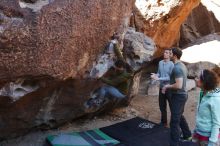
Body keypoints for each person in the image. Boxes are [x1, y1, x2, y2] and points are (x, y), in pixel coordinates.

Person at [162, 47, 192, 146]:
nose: (169, 55)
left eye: (170, 53)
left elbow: (178, 85)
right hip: (181, 95)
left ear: (174, 56)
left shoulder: (177, 68)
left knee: (174, 122)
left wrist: (167, 86)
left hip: (178, 97)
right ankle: (187, 135)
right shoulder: (182, 65)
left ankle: (174, 143)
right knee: (179, 116)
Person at [193, 69, 220, 146]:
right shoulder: (202, 93)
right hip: (200, 134)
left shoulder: (215, 99)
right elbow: (201, 115)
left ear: (204, 82)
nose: (196, 79)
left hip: (208, 139)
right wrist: (196, 130)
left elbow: (217, 123)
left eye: (198, 78)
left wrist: (212, 143)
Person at [151, 49, 174, 127]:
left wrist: (159, 79)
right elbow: (159, 73)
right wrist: (155, 75)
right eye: (164, 52)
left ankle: (173, 124)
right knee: (162, 106)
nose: (165, 53)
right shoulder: (160, 62)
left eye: (167, 53)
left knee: (172, 106)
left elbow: (170, 77)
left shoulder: (172, 64)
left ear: (170, 55)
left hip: (169, 88)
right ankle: (164, 123)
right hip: (161, 88)